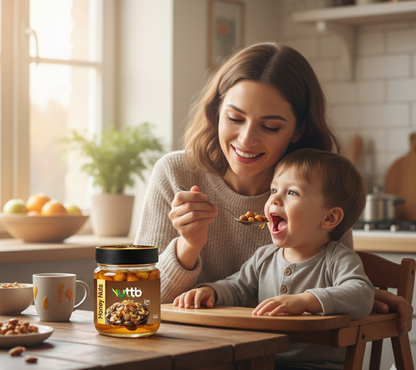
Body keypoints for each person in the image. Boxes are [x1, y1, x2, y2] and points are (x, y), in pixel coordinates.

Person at [134, 42, 412, 334]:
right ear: (216, 111)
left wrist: (356, 296)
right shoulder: (175, 173)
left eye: (270, 127)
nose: (246, 140)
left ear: (299, 129)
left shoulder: (318, 190)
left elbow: (331, 283)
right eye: (235, 118)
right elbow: (137, 301)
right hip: (191, 354)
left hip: (278, 363)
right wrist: (187, 247)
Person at [173, 148, 374, 370]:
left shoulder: (338, 259)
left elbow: (361, 294)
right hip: (265, 362)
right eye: (273, 190)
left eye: (291, 192)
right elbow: (237, 286)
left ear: (330, 217)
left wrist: (306, 301)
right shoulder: (264, 257)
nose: (274, 200)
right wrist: (210, 291)